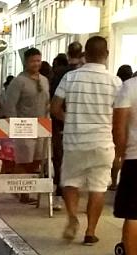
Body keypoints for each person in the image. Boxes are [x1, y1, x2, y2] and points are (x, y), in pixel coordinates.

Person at [51, 36, 122, 245]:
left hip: (75, 141)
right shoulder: (115, 81)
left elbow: (54, 108)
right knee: (98, 188)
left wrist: (70, 119)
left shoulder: (70, 78)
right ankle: (90, 232)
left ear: (85, 55)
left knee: (70, 183)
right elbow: (119, 114)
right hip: (103, 142)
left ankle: (72, 216)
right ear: (106, 55)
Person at [2, 48, 50, 202]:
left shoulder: (44, 80)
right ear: (26, 62)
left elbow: (47, 103)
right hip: (24, 127)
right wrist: (14, 125)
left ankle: (30, 189)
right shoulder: (19, 81)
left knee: (37, 160)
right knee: (24, 160)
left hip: (41, 127)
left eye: (38, 60)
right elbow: (10, 105)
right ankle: (22, 192)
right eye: (33, 61)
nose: (36, 64)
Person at [49, 43, 84, 209]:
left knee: (61, 159)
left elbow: (54, 103)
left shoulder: (59, 74)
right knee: (78, 161)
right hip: (81, 124)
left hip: (61, 122)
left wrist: (64, 118)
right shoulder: (83, 73)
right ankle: (73, 195)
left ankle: (60, 194)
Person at [112, 75, 137, 255]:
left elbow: (119, 127)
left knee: (134, 213)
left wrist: (119, 155)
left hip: (135, 157)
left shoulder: (129, 87)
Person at [111, 65, 135, 189]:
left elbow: (119, 124)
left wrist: (120, 153)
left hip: (132, 154)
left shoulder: (127, 87)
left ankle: (114, 181)